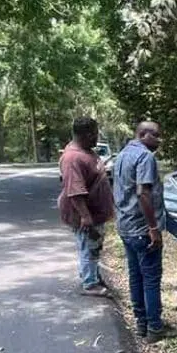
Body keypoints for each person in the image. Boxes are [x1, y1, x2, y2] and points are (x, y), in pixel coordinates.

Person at [112, 121, 173, 341]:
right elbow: (143, 193)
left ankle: (141, 324)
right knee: (150, 278)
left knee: (136, 276)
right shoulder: (145, 157)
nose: (159, 140)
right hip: (141, 229)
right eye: (155, 135)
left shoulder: (122, 155)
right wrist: (153, 228)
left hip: (125, 226)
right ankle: (155, 328)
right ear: (142, 134)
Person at [57, 117, 114, 296]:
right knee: (88, 246)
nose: (97, 137)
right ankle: (90, 283)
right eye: (95, 134)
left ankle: (93, 275)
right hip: (85, 213)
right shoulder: (73, 157)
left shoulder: (86, 151)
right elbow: (75, 190)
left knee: (93, 245)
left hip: (95, 212)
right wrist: (85, 216)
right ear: (86, 134)